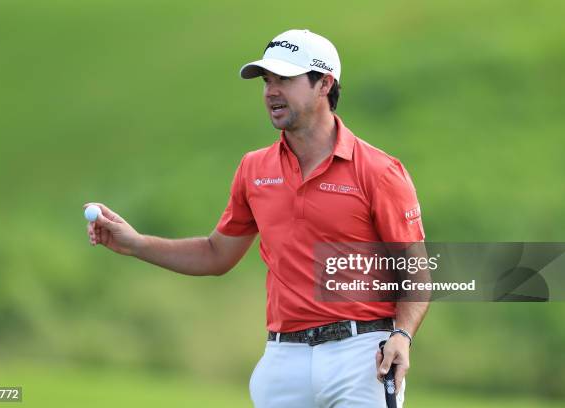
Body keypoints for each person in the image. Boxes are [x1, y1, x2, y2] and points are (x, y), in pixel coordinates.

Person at [84, 29, 428, 407]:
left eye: (285, 79)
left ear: (324, 84)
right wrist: (136, 244)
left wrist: (403, 335)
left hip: (361, 355)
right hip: (283, 358)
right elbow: (216, 254)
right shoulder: (254, 168)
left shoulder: (378, 172)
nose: (271, 91)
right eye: (267, 81)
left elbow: (416, 270)